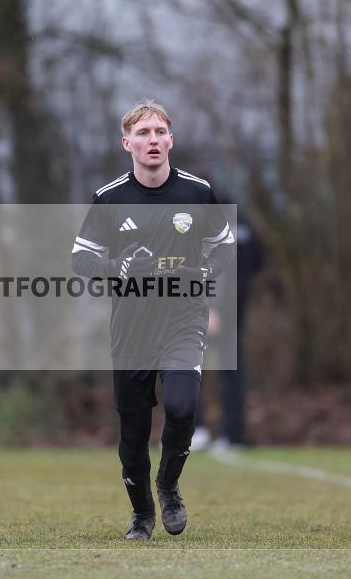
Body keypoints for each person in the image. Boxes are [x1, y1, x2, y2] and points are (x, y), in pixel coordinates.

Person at [71, 100, 236, 540]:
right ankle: (142, 515)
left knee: (182, 406)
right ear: (127, 143)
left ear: (171, 141)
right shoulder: (109, 198)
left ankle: (168, 485)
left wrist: (204, 271)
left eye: (160, 132)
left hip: (184, 318)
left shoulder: (197, 192)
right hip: (131, 330)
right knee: (134, 434)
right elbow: (81, 260)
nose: (153, 140)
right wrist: (117, 269)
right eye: (143, 133)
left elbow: (224, 246)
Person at [191, 203, 265, 452]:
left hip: (211, 309)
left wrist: (212, 308)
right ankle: (232, 434)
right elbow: (259, 259)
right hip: (236, 308)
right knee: (231, 371)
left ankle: (195, 430)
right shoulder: (241, 217)